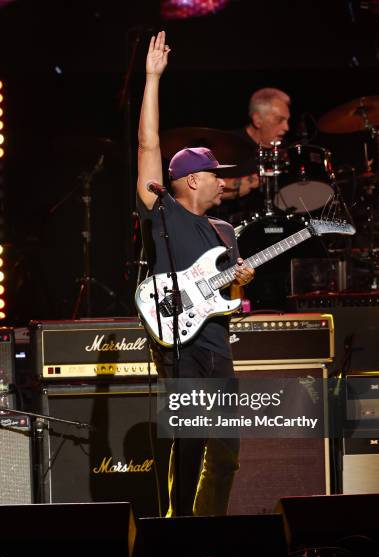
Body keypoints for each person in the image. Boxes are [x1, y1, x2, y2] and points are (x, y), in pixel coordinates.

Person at [136, 31, 255, 517]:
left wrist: (241, 281)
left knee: (226, 452)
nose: (223, 181)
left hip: (217, 349)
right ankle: (177, 533)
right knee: (185, 448)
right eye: (213, 173)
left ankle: (208, 533)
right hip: (180, 349)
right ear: (189, 180)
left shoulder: (225, 229)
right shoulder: (163, 211)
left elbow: (234, 294)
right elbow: (147, 141)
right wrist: (152, 78)